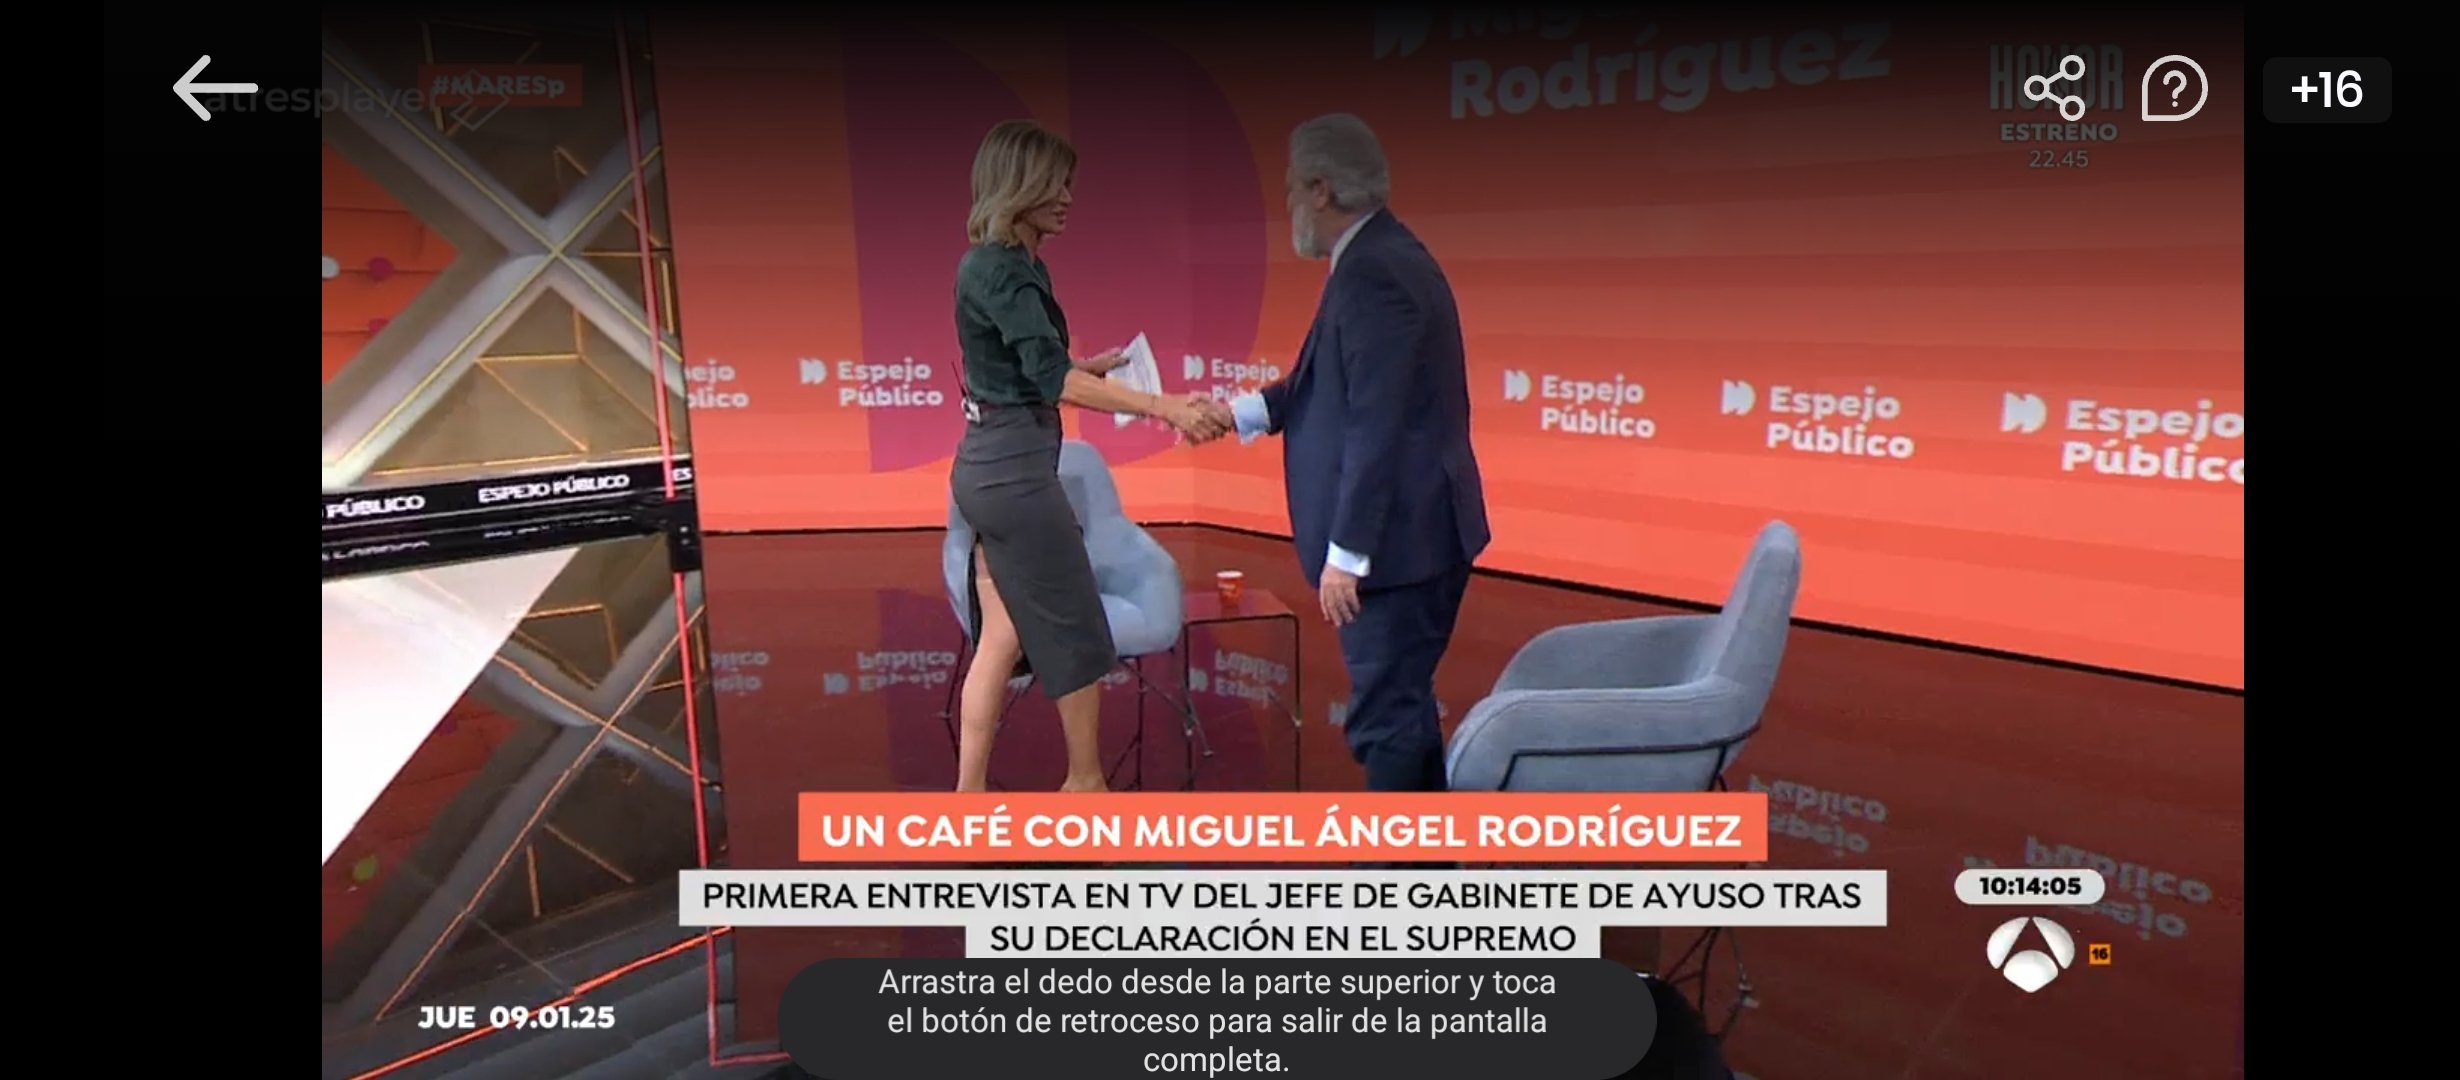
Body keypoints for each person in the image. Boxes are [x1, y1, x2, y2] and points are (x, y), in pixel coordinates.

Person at [1205, 113, 1489, 793]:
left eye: (1291, 189)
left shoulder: (1374, 273)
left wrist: (1348, 554)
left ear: (1321, 189)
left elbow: (1376, 423)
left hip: (1399, 550)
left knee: (1385, 720)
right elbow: (1322, 385)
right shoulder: (1376, 257)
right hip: (1413, 540)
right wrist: (1233, 414)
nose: (1288, 206)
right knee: (1399, 709)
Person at [949, 119, 1226, 793]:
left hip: (993, 467)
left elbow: (1025, 368)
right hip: (1014, 477)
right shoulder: (1002, 271)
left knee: (1003, 636)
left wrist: (1084, 367)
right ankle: (1086, 784)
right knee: (1076, 632)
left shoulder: (1010, 264)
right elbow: (1051, 382)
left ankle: (968, 800)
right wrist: (1164, 407)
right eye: (1054, 184)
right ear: (1018, 187)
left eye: (1069, 183)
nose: (1068, 197)